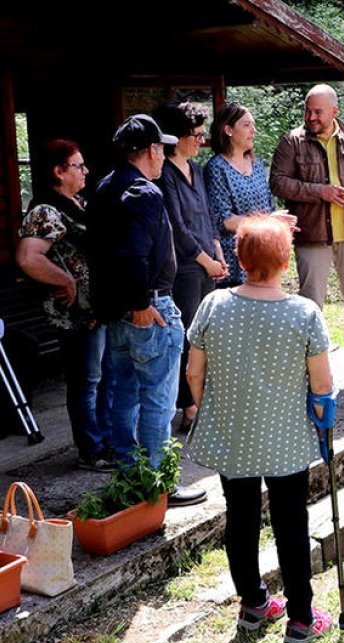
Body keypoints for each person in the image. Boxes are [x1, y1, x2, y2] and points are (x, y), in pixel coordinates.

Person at [185, 215, 335, 643]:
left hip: (235, 435)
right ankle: (301, 619)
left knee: (241, 517)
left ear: (240, 257)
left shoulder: (213, 305)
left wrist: (211, 404)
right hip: (286, 438)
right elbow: (322, 387)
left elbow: (195, 373)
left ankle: (253, 603)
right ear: (286, 261)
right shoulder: (304, 313)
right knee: (291, 522)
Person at [89, 114, 206, 506]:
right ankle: (159, 484)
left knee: (124, 392)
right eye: (162, 149)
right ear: (153, 151)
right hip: (147, 306)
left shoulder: (105, 187)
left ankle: (130, 476)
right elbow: (132, 255)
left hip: (119, 310)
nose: (164, 156)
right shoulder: (144, 193)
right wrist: (141, 304)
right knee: (156, 397)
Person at [270, 84, 344, 383]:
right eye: (308, 110)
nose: (311, 117)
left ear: (335, 111)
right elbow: (278, 183)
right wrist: (320, 192)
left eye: (318, 111)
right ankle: (312, 363)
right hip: (312, 235)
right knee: (311, 304)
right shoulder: (291, 142)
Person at [16, 139, 115, 472]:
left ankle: (104, 442)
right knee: (86, 381)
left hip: (95, 309)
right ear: (58, 172)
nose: (85, 171)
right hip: (74, 314)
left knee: (102, 378)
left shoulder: (78, 203)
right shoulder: (46, 210)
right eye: (78, 165)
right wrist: (65, 280)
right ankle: (91, 450)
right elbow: (28, 258)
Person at [152, 101, 226, 435]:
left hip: (206, 263)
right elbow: (177, 227)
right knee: (187, 338)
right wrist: (205, 259)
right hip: (184, 267)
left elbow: (207, 215)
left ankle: (204, 397)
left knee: (204, 337)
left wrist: (217, 250)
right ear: (175, 138)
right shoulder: (164, 173)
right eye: (194, 135)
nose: (199, 141)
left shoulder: (195, 169)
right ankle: (190, 406)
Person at [204, 103, 279, 288]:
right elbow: (225, 220)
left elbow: (269, 206)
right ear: (228, 130)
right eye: (246, 125)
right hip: (234, 263)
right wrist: (269, 221)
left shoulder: (258, 165)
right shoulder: (216, 168)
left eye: (253, 125)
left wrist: (276, 222)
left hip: (263, 255)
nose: (253, 131)